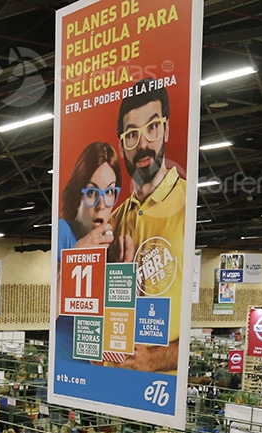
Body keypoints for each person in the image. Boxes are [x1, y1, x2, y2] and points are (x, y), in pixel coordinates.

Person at [110, 79, 187, 374]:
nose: (143, 144)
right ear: (122, 145)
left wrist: (155, 360)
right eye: (132, 134)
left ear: (166, 129)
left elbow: (203, 324)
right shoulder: (114, 221)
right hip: (115, 383)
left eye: (152, 127)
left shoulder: (188, 203)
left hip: (164, 393)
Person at [56, 142, 121, 252]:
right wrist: (77, 255)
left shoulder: (110, 243)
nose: (101, 206)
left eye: (109, 191)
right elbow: (55, 269)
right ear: (77, 194)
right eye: (91, 192)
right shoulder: (60, 231)